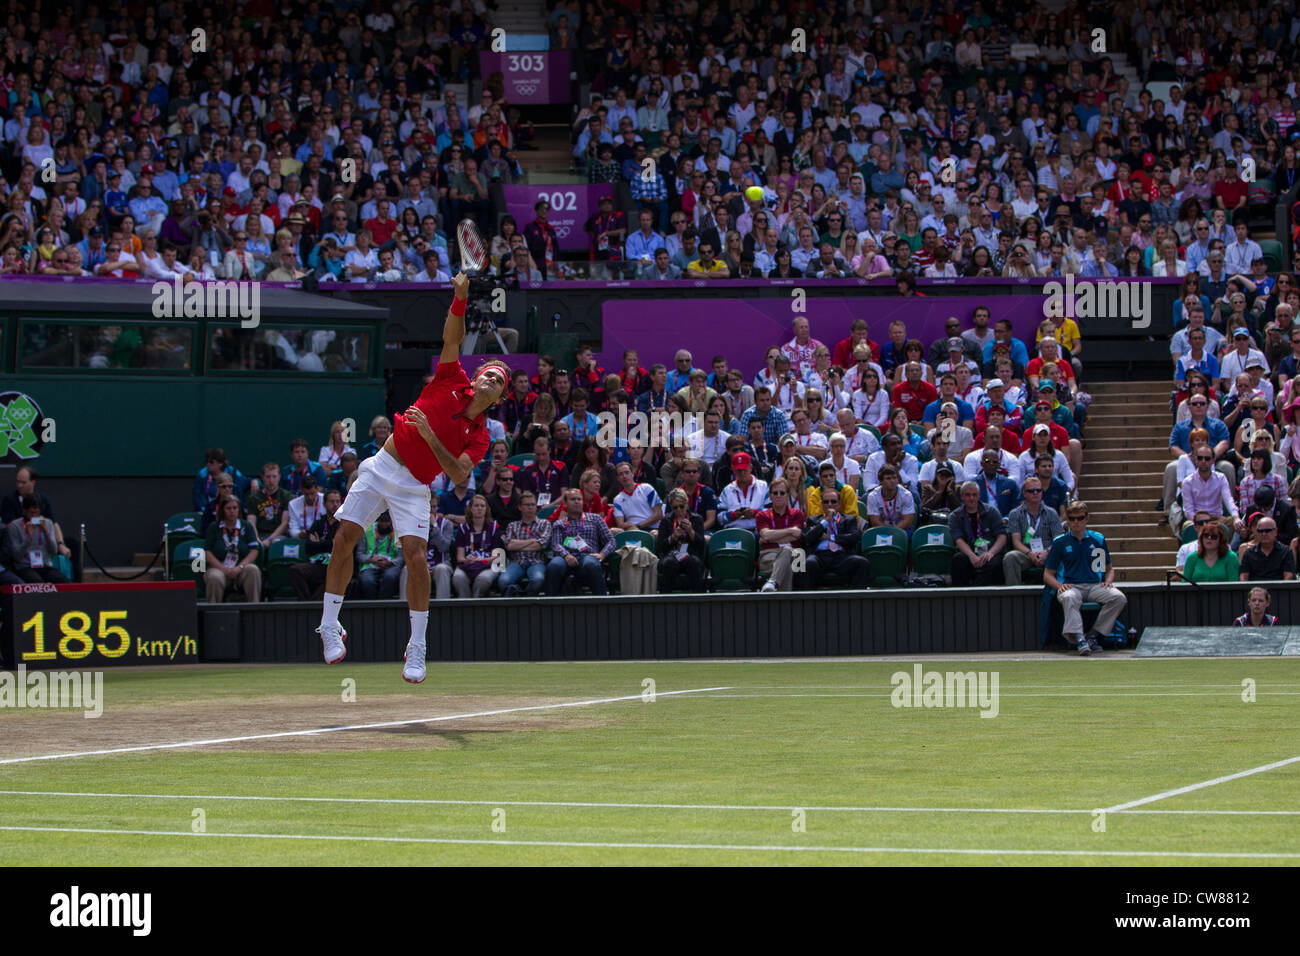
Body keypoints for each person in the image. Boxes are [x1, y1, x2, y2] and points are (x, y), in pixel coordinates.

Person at [315, 272, 509, 683]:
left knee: (417, 559)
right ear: (475, 379)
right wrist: (459, 298)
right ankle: (330, 624)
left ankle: (416, 646)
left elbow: (457, 473)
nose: (490, 379)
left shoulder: (479, 438)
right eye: (488, 373)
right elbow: (452, 338)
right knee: (344, 538)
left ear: (498, 397)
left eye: (498, 381)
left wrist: (428, 434)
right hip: (381, 466)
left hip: (415, 486)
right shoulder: (450, 377)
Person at [1044, 500, 1128, 656]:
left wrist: (1108, 582)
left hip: (1095, 586)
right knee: (1069, 596)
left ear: (1087, 518)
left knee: (1118, 597)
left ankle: (1093, 635)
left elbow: (1108, 569)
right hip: (1071, 585)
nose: (1076, 522)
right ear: (1067, 520)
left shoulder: (1098, 540)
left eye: (1080, 518)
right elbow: (1048, 574)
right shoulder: (1060, 542)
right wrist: (1058, 586)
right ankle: (1080, 639)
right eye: (1072, 519)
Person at [546, 487, 616, 594]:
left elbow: (611, 541)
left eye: (579, 499)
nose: (577, 502)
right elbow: (556, 544)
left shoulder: (595, 519)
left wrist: (602, 554)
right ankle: (549, 605)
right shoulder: (559, 524)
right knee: (554, 565)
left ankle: (601, 602)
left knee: (591, 564)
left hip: (588, 555)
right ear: (565, 503)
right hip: (566, 558)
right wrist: (566, 555)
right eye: (573, 499)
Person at [802, 487, 871, 588]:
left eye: (833, 501)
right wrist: (825, 521)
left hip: (841, 556)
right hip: (820, 556)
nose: (830, 504)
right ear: (822, 504)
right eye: (826, 502)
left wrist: (831, 537)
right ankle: (808, 600)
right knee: (808, 563)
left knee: (862, 562)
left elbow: (853, 537)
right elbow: (807, 539)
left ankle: (857, 600)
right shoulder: (813, 520)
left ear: (839, 504)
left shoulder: (848, 519)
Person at [1002, 476, 1066, 585]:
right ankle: (1014, 595)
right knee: (1010, 557)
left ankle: (1060, 592)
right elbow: (1016, 542)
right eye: (1031, 491)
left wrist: (1046, 552)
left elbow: (1058, 539)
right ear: (1024, 493)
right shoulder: (1015, 514)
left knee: (1063, 555)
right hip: (1025, 553)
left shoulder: (1051, 513)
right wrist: (1030, 554)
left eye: (1038, 490)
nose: (1035, 493)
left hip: (1048, 553)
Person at [289, 489, 350, 600]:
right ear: (325, 504)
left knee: (330, 582)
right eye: (332, 502)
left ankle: (312, 606)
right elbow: (309, 547)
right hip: (319, 564)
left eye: (337, 501)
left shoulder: (344, 524)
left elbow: (341, 547)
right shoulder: (319, 523)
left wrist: (320, 543)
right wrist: (329, 544)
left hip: (337, 566)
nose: (335, 505)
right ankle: (306, 603)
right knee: (295, 570)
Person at [201, 496, 262, 602]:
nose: (232, 511)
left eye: (235, 508)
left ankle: (254, 609)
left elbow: (254, 550)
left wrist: (240, 567)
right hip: (219, 567)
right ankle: (213, 612)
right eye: (228, 508)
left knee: (253, 570)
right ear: (222, 510)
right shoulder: (214, 527)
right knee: (214, 577)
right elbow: (207, 552)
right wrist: (223, 568)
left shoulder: (246, 526)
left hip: (241, 566)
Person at [949, 480, 1007, 586]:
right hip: (968, 552)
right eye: (967, 495)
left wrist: (991, 553)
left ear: (979, 495)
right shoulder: (955, 516)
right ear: (962, 496)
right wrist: (971, 555)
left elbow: (1002, 536)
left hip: (990, 552)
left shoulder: (992, 512)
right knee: (958, 559)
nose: (971, 498)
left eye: (974, 495)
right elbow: (958, 539)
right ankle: (960, 597)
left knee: (995, 563)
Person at [4, 494, 70, 584]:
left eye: (37, 513)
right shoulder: (15, 526)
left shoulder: (48, 523)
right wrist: (28, 538)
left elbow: (53, 551)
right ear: (24, 511)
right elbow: (16, 556)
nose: (34, 516)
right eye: (31, 513)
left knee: (62, 580)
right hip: (25, 566)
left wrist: (46, 532)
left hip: (44, 565)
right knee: (37, 582)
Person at [756, 476, 804, 593]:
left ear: (788, 495)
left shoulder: (797, 514)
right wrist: (789, 530)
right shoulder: (762, 515)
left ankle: (772, 583)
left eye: (782, 493)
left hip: (797, 556)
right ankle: (786, 606)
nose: (778, 495)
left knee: (788, 551)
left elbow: (797, 535)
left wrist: (770, 538)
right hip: (769, 555)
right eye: (775, 493)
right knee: (786, 563)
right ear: (770, 496)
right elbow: (766, 535)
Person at [498, 490, 550, 597]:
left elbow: (542, 545)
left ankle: (522, 596)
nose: (530, 507)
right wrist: (532, 541)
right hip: (517, 562)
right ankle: (518, 594)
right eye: (527, 505)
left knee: (538, 579)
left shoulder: (544, 523)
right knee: (503, 581)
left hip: (537, 562)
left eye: (533, 505)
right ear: (520, 507)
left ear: (536, 506)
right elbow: (509, 546)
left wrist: (518, 544)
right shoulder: (513, 525)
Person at [656, 488, 706, 592]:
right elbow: (660, 546)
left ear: (686, 504)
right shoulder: (666, 521)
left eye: (681, 506)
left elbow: (701, 545)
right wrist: (673, 536)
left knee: (694, 562)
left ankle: (699, 599)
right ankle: (665, 599)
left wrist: (691, 531)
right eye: (675, 507)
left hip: (690, 554)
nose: (679, 510)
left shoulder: (697, 519)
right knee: (669, 563)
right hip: (671, 554)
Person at [453, 495, 502, 597]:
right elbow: (460, 557)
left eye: (482, 506)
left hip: (489, 564)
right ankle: (464, 604)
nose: (479, 508)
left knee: (483, 579)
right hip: (468, 564)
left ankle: (475, 604)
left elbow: (497, 556)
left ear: (486, 509)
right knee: (458, 577)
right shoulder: (463, 528)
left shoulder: (494, 527)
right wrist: (466, 560)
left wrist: (482, 561)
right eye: (476, 506)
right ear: (470, 509)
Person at [356, 511, 404, 599]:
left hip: (391, 565)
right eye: (382, 521)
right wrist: (371, 559)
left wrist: (391, 562)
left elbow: (401, 557)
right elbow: (359, 554)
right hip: (370, 564)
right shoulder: (367, 530)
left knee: (389, 577)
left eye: (387, 522)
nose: (384, 524)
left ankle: (384, 606)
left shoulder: (398, 531)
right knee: (367, 580)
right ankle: (371, 607)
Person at [1238, 515, 1296, 581]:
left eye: (1267, 531)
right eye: (1260, 531)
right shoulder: (1248, 553)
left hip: (1279, 590)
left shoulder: (1286, 552)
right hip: (1254, 590)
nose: (1264, 534)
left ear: (1275, 532)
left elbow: (1289, 576)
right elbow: (1243, 577)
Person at [1182, 518, 1239, 583]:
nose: (1209, 539)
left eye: (1214, 536)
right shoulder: (1192, 558)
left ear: (1221, 540)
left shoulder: (1231, 557)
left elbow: (1234, 584)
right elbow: (1185, 583)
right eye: (1206, 535)